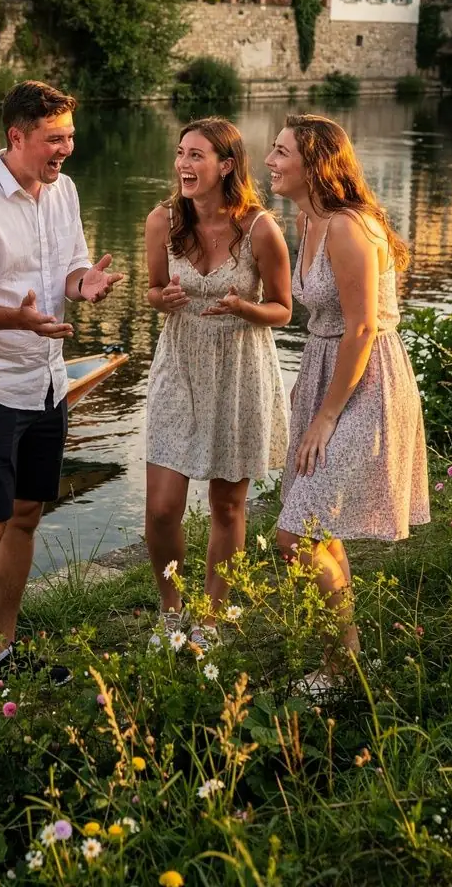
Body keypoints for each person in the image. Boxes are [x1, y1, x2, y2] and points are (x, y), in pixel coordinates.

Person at [0, 80, 123, 687]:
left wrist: (84, 285)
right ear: (17, 137)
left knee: (25, 516)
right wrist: (17, 319)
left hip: (45, 380)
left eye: (70, 136)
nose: (67, 148)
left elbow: (70, 267)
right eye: (54, 138)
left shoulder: (64, 190)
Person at [266, 113, 429, 688]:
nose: (270, 162)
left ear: (314, 165)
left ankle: (339, 668)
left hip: (368, 381)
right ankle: (348, 662)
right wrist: (307, 388)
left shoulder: (348, 226)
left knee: (296, 536)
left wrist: (326, 416)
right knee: (318, 524)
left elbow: (361, 327)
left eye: (281, 152)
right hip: (326, 372)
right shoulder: (309, 220)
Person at [145, 118, 291, 645]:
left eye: (197, 155)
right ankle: (171, 610)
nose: (183, 164)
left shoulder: (261, 229)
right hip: (179, 366)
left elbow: (283, 309)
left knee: (227, 505)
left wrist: (246, 309)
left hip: (239, 368)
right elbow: (153, 291)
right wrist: (161, 299)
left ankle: (211, 616)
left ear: (226, 165)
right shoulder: (162, 221)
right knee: (162, 509)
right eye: (180, 153)